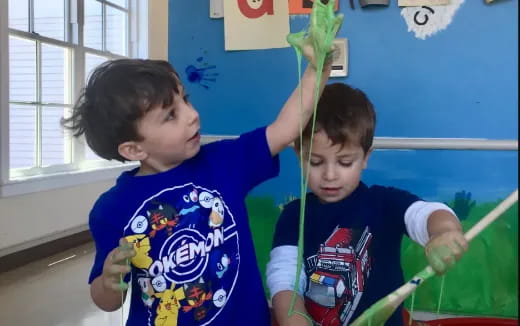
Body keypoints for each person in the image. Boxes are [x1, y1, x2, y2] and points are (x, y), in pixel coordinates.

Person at [62, 46, 332, 325]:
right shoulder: (111, 209)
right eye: (171, 115)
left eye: (186, 100)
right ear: (133, 150)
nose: (192, 115)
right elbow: (106, 301)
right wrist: (109, 282)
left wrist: (319, 69)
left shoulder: (224, 162)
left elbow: (286, 128)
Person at [267, 83, 468, 326]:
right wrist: (294, 320)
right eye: (316, 162)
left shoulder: (385, 202)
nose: (330, 175)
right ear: (299, 156)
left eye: (345, 162)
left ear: (365, 158)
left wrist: (445, 232)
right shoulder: (292, 215)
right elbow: (285, 280)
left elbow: (426, 214)